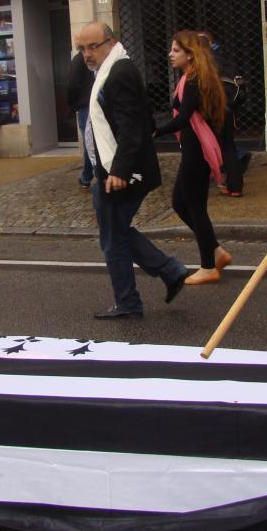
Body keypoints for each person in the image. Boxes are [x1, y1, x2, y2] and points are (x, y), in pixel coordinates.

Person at [79, 21, 188, 319]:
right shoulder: (110, 69)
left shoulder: (119, 71)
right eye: (81, 48)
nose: (86, 53)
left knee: (113, 238)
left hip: (120, 172)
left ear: (110, 42)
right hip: (112, 169)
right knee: (115, 233)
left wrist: (120, 170)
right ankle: (169, 271)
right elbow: (141, 113)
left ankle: (130, 300)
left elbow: (130, 126)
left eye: (92, 46)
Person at [154, 31, 233, 285]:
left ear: (190, 54)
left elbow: (183, 117)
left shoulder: (193, 81)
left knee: (195, 207)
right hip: (192, 148)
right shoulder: (192, 78)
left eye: (176, 50)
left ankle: (209, 266)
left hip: (196, 150)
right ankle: (215, 251)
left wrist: (155, 130)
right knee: (180, 202)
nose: (170, 54)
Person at [201, 31, 250, 197]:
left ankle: (217, 180)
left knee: (209, 147)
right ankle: (235, 186)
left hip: (211, 110)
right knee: (228, 147)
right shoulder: (223, 60)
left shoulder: (203, 65)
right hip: (227, 108)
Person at [65, 48, 94, 188]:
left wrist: (71, 104)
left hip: (85, 105)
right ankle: (89, 174)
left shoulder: (79, 60)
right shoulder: (90, 58)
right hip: (90, 103)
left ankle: (88, 175)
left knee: (89, 141)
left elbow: (72, 84)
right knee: (91, 140)